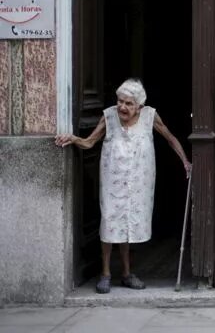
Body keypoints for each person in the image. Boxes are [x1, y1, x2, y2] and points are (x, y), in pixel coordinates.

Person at [55, 78, 191, 293]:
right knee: (109, 223)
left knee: (128, 225)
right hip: (113, 181)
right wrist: (73, 139)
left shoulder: (150, 116)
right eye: (120, 101)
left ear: (139, 106)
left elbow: (170, 138)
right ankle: (106, 273)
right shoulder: (109, 116)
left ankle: (127, 274)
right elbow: (90, 142)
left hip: (138, 182)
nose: (122, 107)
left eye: (128, 103)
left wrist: (185, 161)